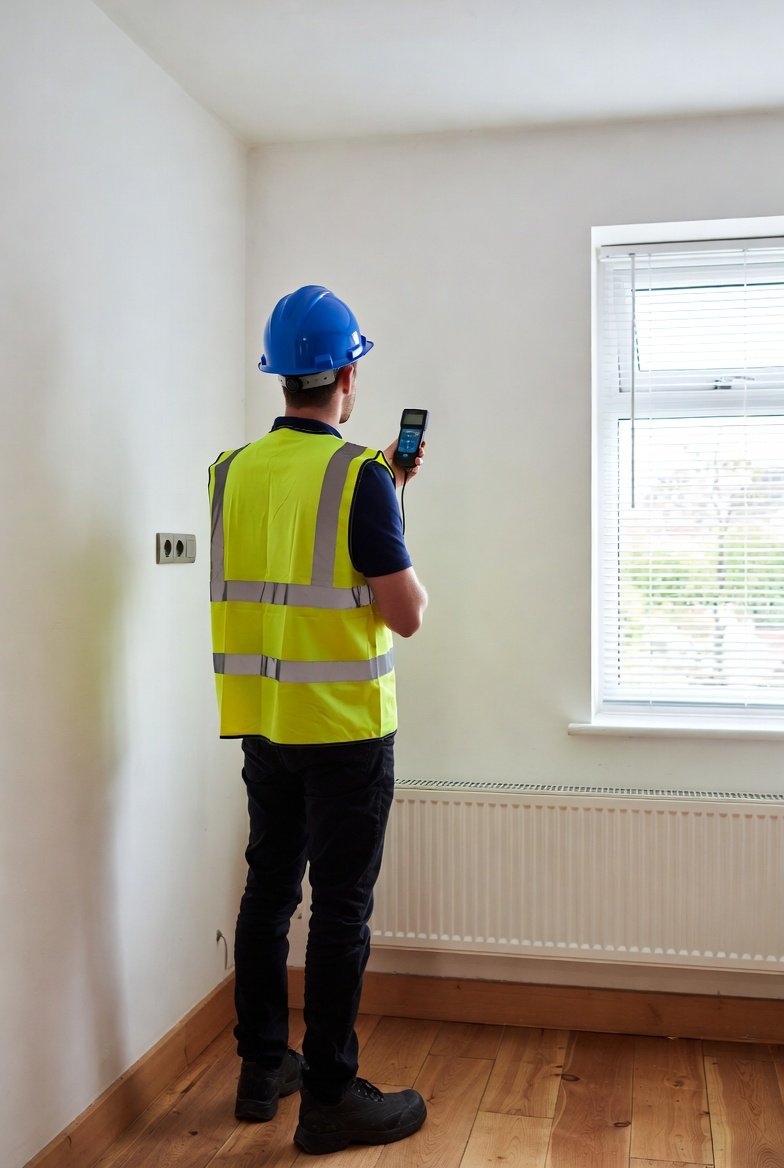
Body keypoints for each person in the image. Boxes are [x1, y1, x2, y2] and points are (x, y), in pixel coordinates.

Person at [208, 285, 428, 1155]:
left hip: (263, 721)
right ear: (345, 374)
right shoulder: (361, 476)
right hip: (343, 731)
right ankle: (331, 1095)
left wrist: (383, 491)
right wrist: (387, 493)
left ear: (280, 376)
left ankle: (264, 1068)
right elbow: (403, 613)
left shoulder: (229, 469)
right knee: (340, 910)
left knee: (268, 893)